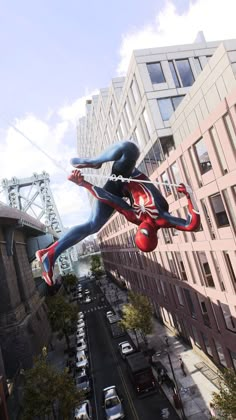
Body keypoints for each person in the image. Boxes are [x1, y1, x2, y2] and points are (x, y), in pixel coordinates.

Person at [36, 140, 200, 286]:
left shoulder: (134, 217)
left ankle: (49, 254)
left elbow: (110, 199)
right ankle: (94, 162)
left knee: (93, 225)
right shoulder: (162, 219)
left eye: (140, 230)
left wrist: (83, 183)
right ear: (152, 234)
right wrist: (189, 196)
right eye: (145, 229)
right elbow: (191, 224)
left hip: (117, 188)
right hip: (127, 175)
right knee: (129, 149)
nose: (143, 225)